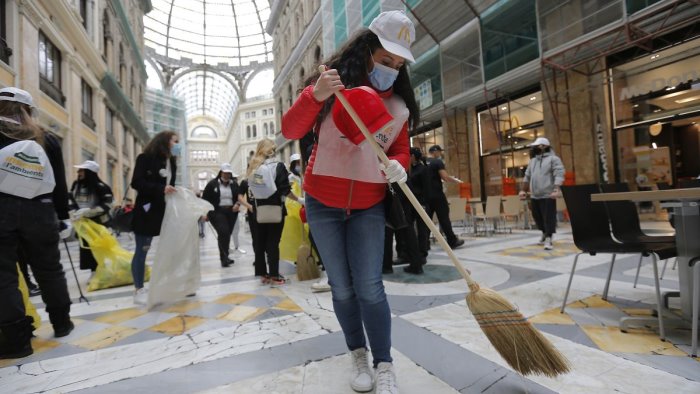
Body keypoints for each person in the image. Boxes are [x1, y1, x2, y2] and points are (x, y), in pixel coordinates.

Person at [282, 11, 418, 394]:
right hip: (323, 201)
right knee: (341, 288)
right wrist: (316, 94)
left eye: (398, 64)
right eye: (384, 59)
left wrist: (399, 167)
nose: (390, 69)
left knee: (371, 287)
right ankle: (357, 353)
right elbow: (291, 129)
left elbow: (403, 149)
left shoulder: (400, 106)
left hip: (369, 204)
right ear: (367, 49)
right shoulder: (333, 85)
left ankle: (384, 361)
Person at [0, 87, 74, 359]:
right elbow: (59, 182)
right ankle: (62, 322)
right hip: (40, 210)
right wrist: (63, 216)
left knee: (3, 276)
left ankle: (16, 340)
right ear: (28, 110)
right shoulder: (46, 138)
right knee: (50, 269)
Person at [129, 130, 180, 305]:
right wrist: (160, 189)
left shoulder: (172, 163)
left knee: (171, 248)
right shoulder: (145, 158)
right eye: (175, 141)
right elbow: (136, 182)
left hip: (165, 210)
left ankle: (170, 284)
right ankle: (139, 288)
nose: (177, 144)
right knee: (142, 249)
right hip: (147, 211)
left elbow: (170, 185)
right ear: (164, 141)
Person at [246, 138, 294, 285]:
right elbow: (284, 189)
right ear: (272, 150)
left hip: (258, 211)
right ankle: (274, 274)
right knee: (273, 242)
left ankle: (263, 274)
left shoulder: (253, 166)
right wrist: (300, 200)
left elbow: (251, 191)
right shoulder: (278, 166)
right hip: (275, 210)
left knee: (259, 242)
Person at [519, 137, 565, 250]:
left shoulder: (554, 159)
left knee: (548, 217)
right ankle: (544, 233)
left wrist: (556, 189)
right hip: (535, 195)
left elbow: (559, 174)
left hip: (548, 194)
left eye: (536, 146)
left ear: (544, 146)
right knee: (537, 217)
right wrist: (523, 190)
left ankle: (549, 238)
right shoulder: (533, 161)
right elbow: (527, 176)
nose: (533, 148)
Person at [69, 160, 114, 273]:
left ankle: (103, 270)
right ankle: (93, 271)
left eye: (81, 170)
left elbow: (108, 204)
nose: (78, 172)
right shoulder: (76, 185)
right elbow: (70, 200)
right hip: (82, 224)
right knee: (86, 249)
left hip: (99, 224)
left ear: (89, 172)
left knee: (99, 248)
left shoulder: (102, 187)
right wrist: (74, 212)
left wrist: (89, 211)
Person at [426, 144, 465, 249]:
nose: (440, 154)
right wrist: (456, 180)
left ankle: (424, 244)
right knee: (444, 219)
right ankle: (452, 241)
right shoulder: (437, 162)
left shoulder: (423, 162)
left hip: (425, 196)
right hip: (437, 195)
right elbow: (445, 177)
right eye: (439, 152)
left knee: (426, 220)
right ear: (435, 152)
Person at [202, 163, 239, 267]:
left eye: (229, 173)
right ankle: (224, 258)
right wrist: (204, 213)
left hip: (231, 212)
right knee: (223, 232)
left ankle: (225, 256)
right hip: (217, 211)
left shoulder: (234, 184)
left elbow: (239, 196)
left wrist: (237, 204)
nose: (227, 175)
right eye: (225, 172)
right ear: (221, 172)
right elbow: (205, 199)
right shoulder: (212, 184)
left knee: (227, 234)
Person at [408, 147, 431, 260]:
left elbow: (427, 188)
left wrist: (424, 203)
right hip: (411, 203)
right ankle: (412, 252)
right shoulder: (410, 169)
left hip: (421, 202)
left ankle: (423, 253)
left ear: (412, 156)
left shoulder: (422, 169)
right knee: (409, 227)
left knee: (422, 229)